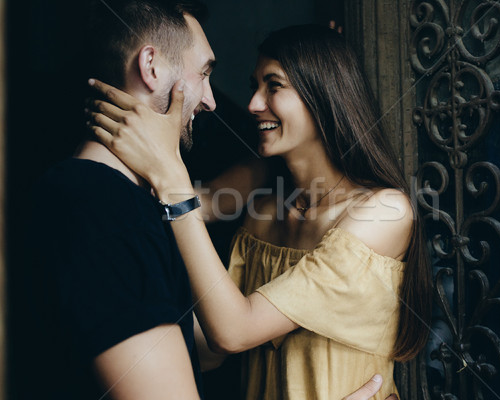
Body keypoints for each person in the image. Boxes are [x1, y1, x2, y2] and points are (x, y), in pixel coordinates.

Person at [28, 0, 396, 399]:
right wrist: (163, 173)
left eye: (273, 86)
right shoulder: (259, 208)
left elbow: (228, 329)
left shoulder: (383, 212)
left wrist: (169, 175)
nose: (247, 104)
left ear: (325, 94)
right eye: (206, 73)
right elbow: (206, 343)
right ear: (150, 67)